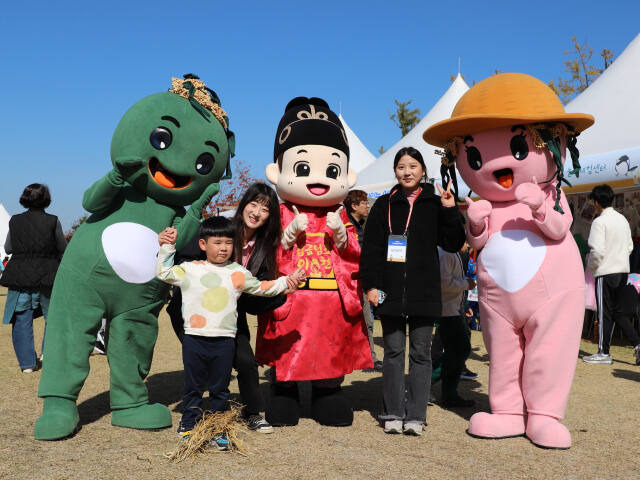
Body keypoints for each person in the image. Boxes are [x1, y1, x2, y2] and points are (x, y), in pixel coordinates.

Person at [155, 216, 305, 449]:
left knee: (219, 389)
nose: (223, 248)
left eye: (228, 242)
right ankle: (188, 424)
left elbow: (262, 288)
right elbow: (164, 273)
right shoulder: (190, 269)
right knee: (194, 386)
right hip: (194, 338)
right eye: (217, 242)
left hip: (225, 341)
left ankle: (217, 428)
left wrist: (287, 282)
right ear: (203, 244)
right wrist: (166, 246)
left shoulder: (238, 272)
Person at [360, 146, 465, 436]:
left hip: (425, 290)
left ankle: (416, 415)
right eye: (401, 167)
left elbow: (453, 243)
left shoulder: (434, 201)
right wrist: (371, 286)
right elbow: (371, 250)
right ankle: (393, 411)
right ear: (395, 171)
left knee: (421, 353)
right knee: (393, 352)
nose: (407, 172)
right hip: (389, 291)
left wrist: (450, 210)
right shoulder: (384, 205)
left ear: (422, 170)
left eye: (413, 166)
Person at [1, 183, 66, 373]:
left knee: (21, 318)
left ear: (25, 197)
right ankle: (49, 354)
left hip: (19, 275)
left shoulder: (15, 221)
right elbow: (62, 248)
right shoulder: (53, 221)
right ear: (46, 198)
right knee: (53, 316)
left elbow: (8, 248)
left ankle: (27, 364)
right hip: (48, 274)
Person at [583, 184, 640, 365]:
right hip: (623, 271)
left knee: (605, 313)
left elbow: (597, 251)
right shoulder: (622, 219)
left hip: (605, 272)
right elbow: (630, 246)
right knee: (618, 313)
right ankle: (637, 344)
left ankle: (603, 352)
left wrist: (593, 268)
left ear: (597, 202)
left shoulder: (599, 222)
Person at [344, 189, 382, 372]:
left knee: (367, 320)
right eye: (364, 202)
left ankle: (369, 358)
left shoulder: (362, 226)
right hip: (346, 283)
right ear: (353, 206)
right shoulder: (344, 226)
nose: (368, 206)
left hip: (362, 281)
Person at [437, 242, 475, 407]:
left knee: (457, 350)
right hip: (446, 311)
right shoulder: (446, 253)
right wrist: (467, 284)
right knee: (460, 349)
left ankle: (449, 393)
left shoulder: (452, 254)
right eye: (465, 241)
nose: (467, 246)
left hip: (453, 309)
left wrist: (464, 306)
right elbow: (444, 283)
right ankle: (429, 382)